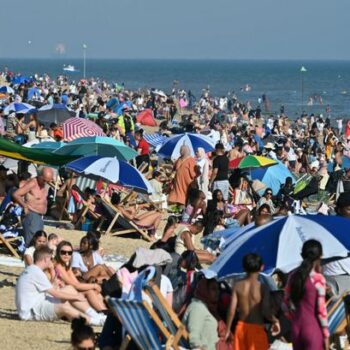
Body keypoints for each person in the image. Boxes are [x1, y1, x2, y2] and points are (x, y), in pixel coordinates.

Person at [16, 246, 105, 325]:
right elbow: (56, 294)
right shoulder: (36, 272)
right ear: (46, 259)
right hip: (31, 312)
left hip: (38, 303)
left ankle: (97, 316)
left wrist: (54, 280)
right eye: (51, 258)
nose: (52, 261)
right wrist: (76, 297)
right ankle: (97, 321)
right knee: (65, 307)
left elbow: (49, 290)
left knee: (69, 289)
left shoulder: (32, 270)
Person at [225, 253, 280, 350]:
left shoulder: (238, 286)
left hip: (241, 328)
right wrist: (275, 320)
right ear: (262, 267)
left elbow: (232, 310)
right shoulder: (262, 288)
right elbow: (265, 310)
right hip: (257, 329)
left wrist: (228, 329)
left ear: (244, 268)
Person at [284, 240, 329, 350]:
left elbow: (285, 304)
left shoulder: (292, 276)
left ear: (302, 255)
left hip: (296, 327)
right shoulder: (318, 279)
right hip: (312, 328)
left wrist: (294, 318)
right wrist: (326, 335)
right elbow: (321, 311)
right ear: (320, 256)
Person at [54, 241, 107, 312]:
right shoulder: (58, 266)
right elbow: (75, 286)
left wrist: (94, 287)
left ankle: (105, 311)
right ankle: (102, 311)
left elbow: (77, 284)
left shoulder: (66, 267)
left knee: (94, 291)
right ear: (58, 253)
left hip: (70, 292)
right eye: (63, 252)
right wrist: (94, 286)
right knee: (90, 292)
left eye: (69, 253)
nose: (66, 255)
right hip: (61, 295)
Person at [13, 167, 54, 246]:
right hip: (32, 214)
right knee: (33, 241)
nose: (46, 182)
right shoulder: (32, 183)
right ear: (40, 176)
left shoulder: (43, 184)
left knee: (39, 240)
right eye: (44, 180)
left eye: (48, 180)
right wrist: (24, 206)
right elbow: (16, 194)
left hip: (39, 216)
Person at [183, 278, 220, 350]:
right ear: (205, 290)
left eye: (218, 289)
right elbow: (194, 335)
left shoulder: (207, 307)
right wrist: (198, 347)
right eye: (213, 289)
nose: (217, 292)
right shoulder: (197, 307)